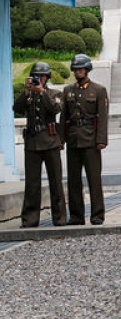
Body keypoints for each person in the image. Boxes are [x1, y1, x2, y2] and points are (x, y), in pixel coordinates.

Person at [12, 62, 66, 228]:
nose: (39, 79)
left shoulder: (54, 93)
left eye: (42, 76)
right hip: (32, 143)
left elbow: (55, 109)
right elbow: (17, 108)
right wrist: (26, 92)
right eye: (36, 76)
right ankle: (30, 219)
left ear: (47, 78)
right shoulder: (29, 95)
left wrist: (41, 92)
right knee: (32, 184)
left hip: (50, 142)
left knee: (56, 182)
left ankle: (60, 218)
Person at [59, 54, 109, 226]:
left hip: (91, 140)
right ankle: (76, 216)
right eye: (75, 69)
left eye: (81, 69)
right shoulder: (68, 90)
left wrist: (101, 140)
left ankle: (97, 215)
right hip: (73, 139)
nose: (78, 72)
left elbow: (102, 116)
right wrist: (61, 139)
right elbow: (64, 117)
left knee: (94, 179)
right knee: (73, 180)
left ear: (87, 70)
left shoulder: (98, 90)